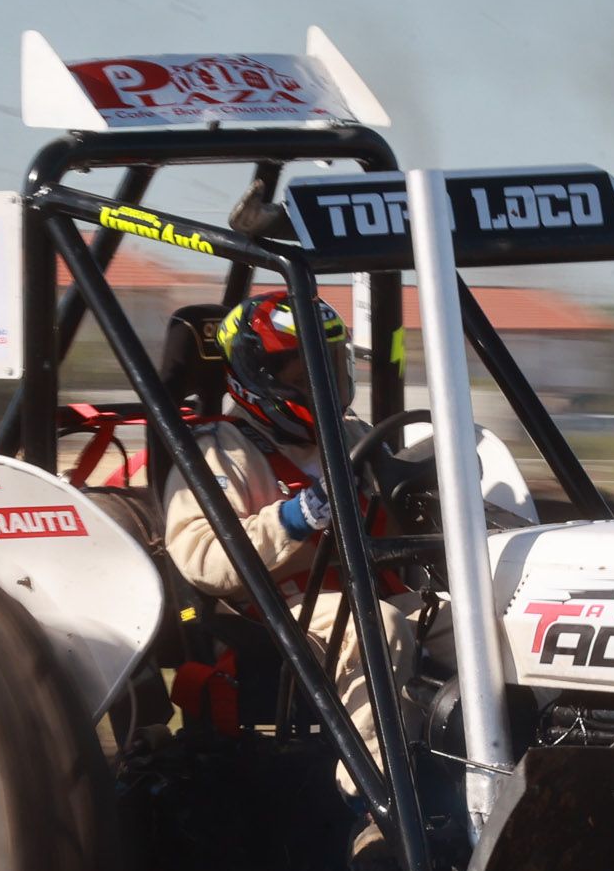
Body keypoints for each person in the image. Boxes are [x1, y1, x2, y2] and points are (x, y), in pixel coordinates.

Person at [161, 291, 430, 799]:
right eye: (303, 375)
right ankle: (378, 808)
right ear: (259, 376)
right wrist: (297, 516)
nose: (321, 385)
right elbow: (202, 560)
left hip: (368, 590)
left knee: (482, 624)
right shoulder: (218, 450)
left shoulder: (354, 436)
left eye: (328, 368)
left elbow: (395, 516)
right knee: (381, 628)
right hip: (278, 613)